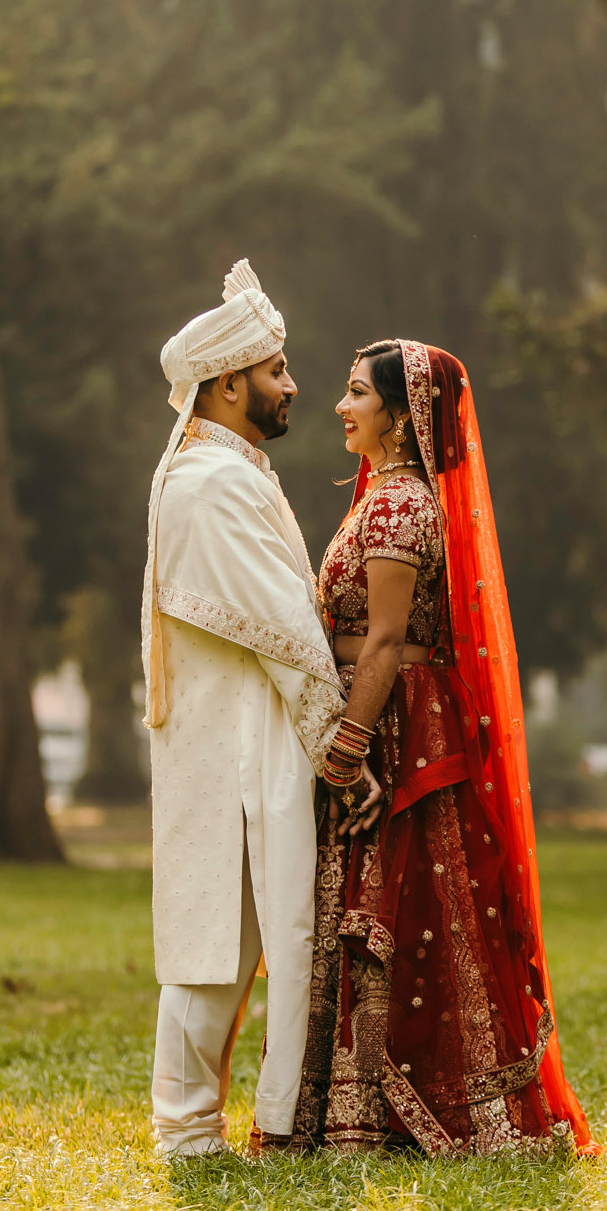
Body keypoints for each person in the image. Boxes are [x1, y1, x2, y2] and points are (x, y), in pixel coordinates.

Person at [291, 337, 592, 1155]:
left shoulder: (396, 507)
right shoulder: (385, 497)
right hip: (390, 715)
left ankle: (408, 1111)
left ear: (399, 414)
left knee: (403, 904)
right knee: (402, 902)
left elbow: (385, 641)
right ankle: (371, 1111)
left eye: (355, 393)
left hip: (395, 723)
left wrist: (348, 749)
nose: (340, 407)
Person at [142, 259, 343, 1156]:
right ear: (228, 387)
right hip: (237, 743)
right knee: (211, 935)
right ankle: (186, 1132)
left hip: (244, 734)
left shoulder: (227, 468)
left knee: (244, 930)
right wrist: (343, 740)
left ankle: (261, 1119)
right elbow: (288, 630)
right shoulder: (211, 483)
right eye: (276, 371)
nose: (292, 385)